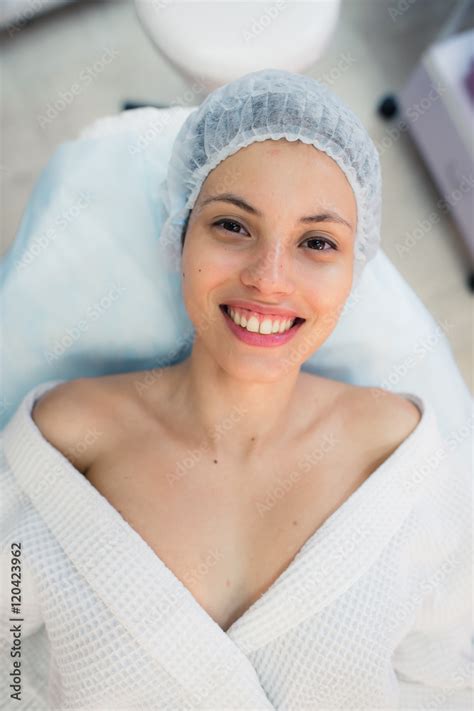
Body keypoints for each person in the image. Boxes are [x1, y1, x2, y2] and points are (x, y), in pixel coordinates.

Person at [1, 69, 471, 710]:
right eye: (232, 226)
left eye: (316, 242)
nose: (269, 279)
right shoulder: (65, 445)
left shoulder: (401, 462)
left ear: (353, 271)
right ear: (180, 232)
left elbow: (449, 681)